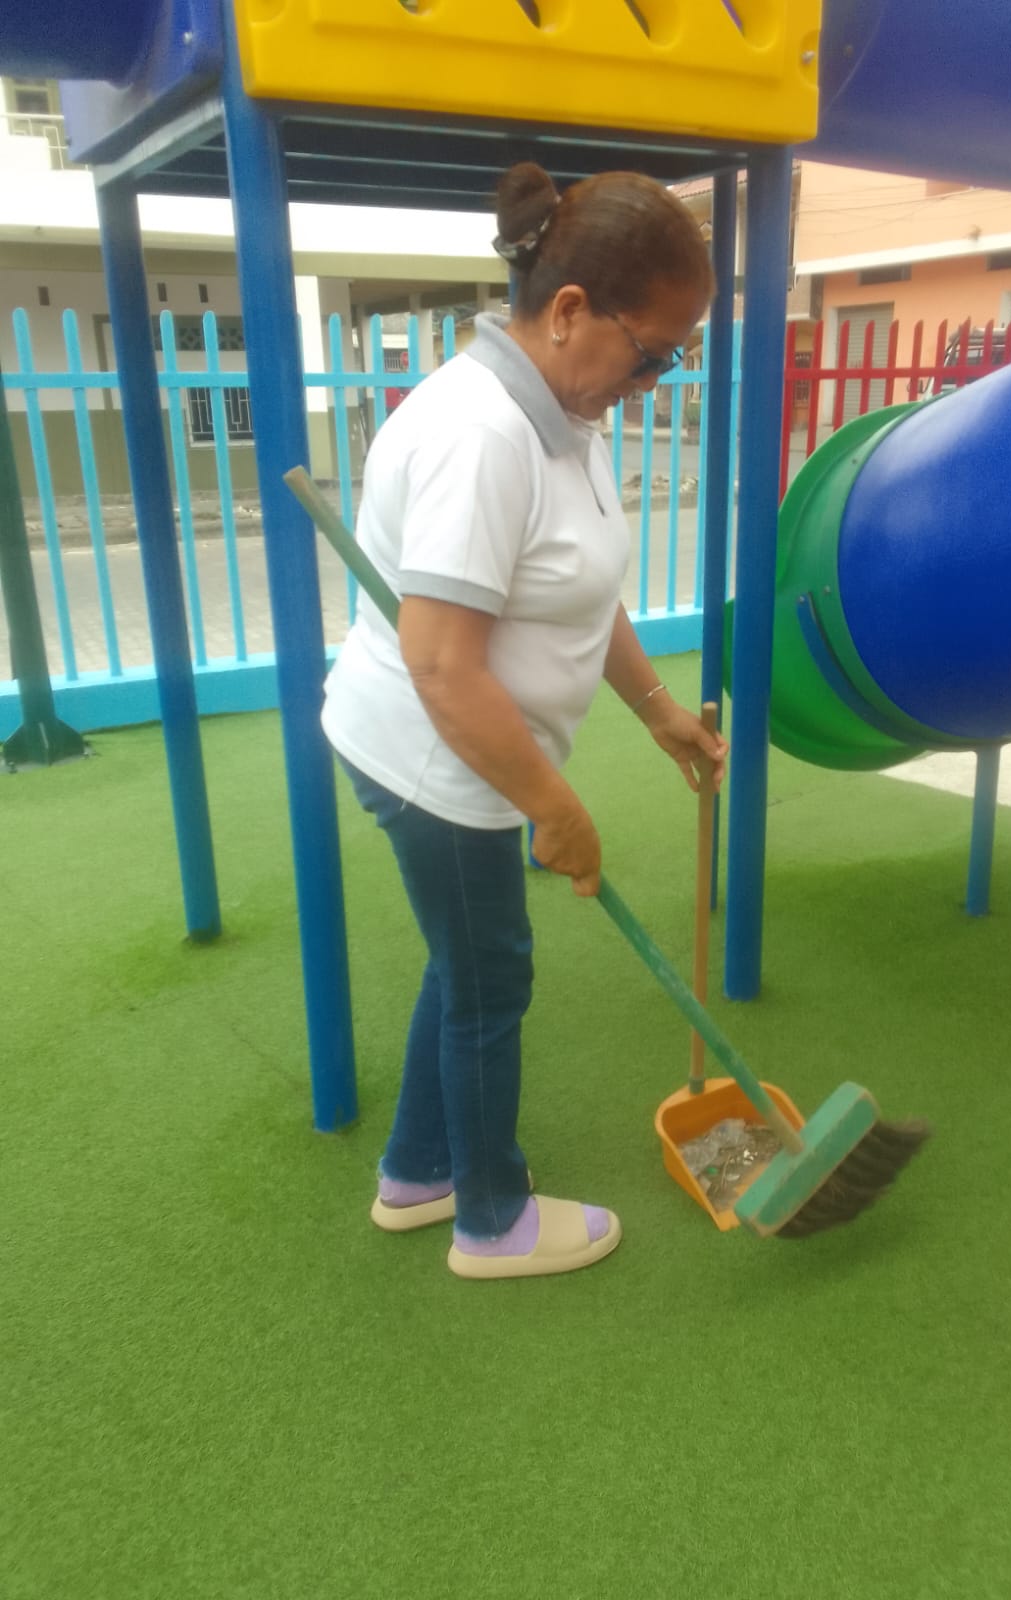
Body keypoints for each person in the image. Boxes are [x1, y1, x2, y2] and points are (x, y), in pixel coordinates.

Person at [321, 162, 728, 1281]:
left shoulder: (564, 409)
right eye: (653, 353)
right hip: (438, 760)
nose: (654, 378)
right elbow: (442, 666)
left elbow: (576, 588)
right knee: (493, 975)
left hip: (472, 753)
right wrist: (556, 808)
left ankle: (418, 1174)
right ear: (569, 311)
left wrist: (656, 710)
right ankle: (491, 1221)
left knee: (466, 963)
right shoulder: (483, 436)